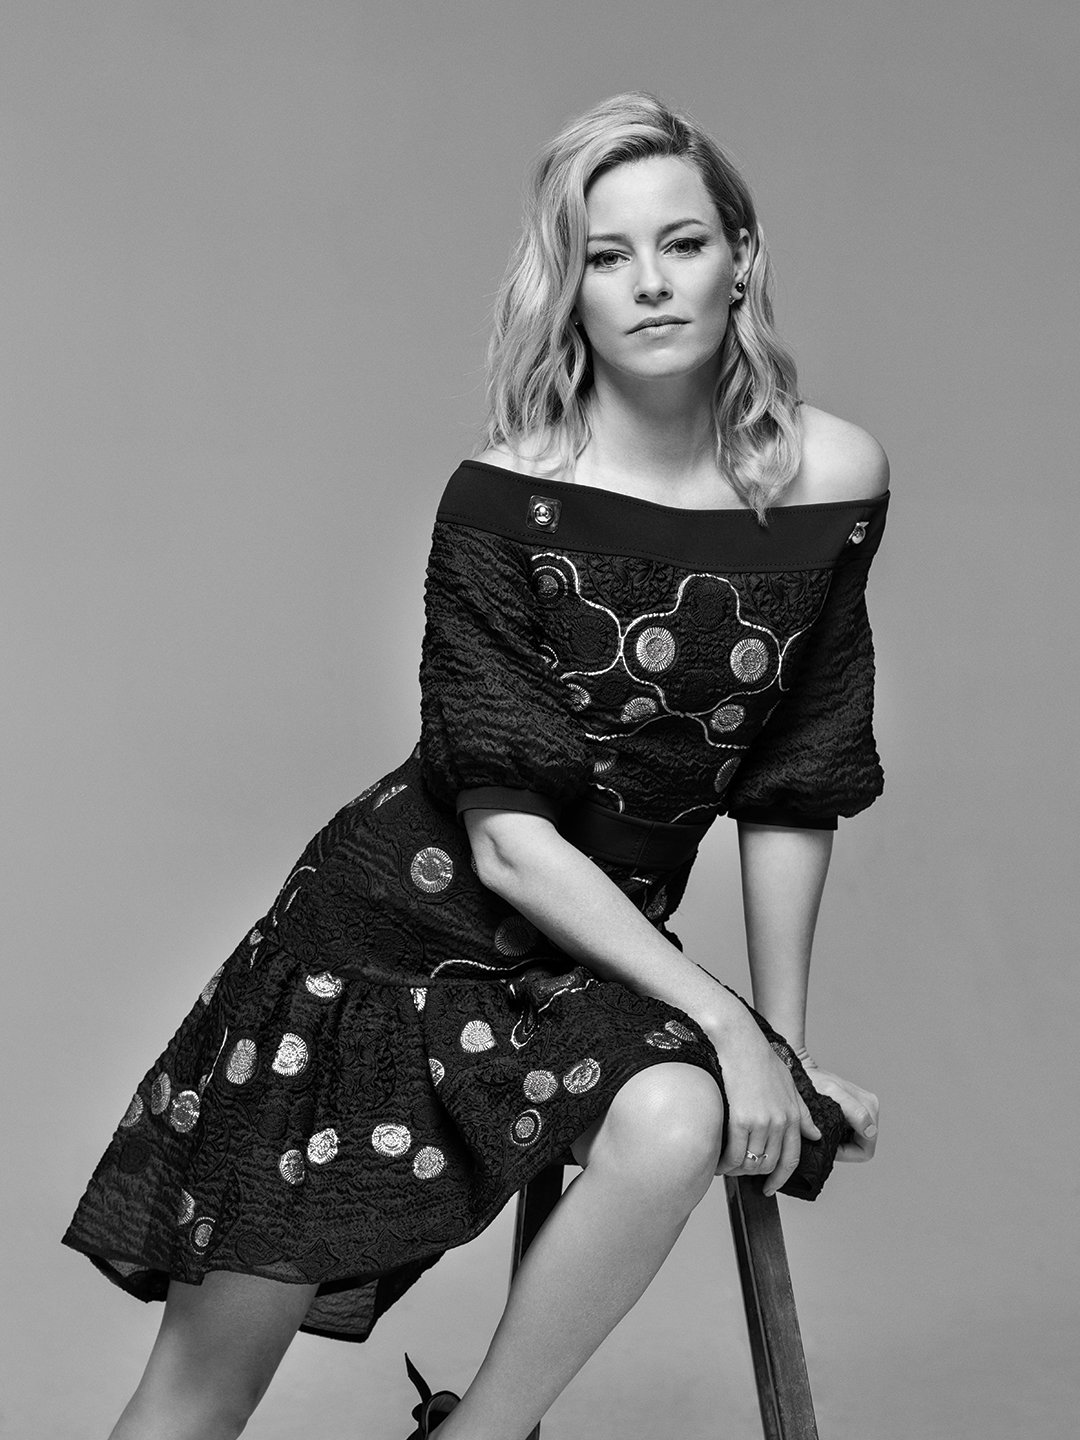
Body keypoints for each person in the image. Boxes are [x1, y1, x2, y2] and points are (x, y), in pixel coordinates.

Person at [64, 91, 887, 1440]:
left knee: (675, 1118)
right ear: (572, 290)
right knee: (200, 1393)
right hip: (380, 951)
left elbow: (797, 778)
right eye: (607, 257)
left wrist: (779, 1053)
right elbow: (509, 840)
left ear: (741, 257)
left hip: (590, 961)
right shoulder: (505, 498)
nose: (649, 283)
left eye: (681, 243)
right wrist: (733, 1025)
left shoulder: (835, 477)